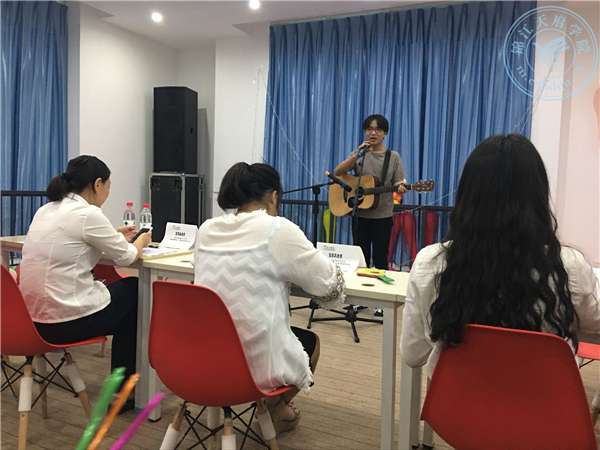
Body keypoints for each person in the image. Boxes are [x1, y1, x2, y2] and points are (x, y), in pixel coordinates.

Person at [400, 134, 600, 377]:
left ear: (467, 195)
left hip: (458, 401)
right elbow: (594, 323)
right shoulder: (568, 267)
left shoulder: (429, 262)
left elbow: (413, 354)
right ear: (538, 196)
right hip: (540, 400)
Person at [193, 162, 345, 431]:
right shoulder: (278, 229)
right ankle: (276, 408)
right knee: (311, 343)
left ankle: (273, 408)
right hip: (251, 365)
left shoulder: (206, 229)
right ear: (273, 196)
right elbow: (328, 285)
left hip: (201, 354)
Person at [20, 155, 151, 408]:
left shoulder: (46, 210)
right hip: (65, 323)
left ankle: (123, 390)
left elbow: (72, 239)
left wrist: (113, 233)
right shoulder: (88, 213)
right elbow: (127, 257)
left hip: (30, 322)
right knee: (134, 291)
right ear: (98, 183)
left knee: (127, 306)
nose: (108, 193)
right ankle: (123, 390)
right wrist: (141, 241)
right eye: (109, 186)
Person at [334, 114, 408, 319]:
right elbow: (338, 172)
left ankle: (381, 303)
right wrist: (356, 155)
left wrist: (402, 188)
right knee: (361, 259)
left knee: (380, 258)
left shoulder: (393, 157)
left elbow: (399, 183)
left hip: (382, 215)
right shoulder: (360, 154)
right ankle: (360, 300)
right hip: (360, 214)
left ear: (385, 133)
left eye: (378, 129)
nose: (373, 133)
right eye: (369, 129)